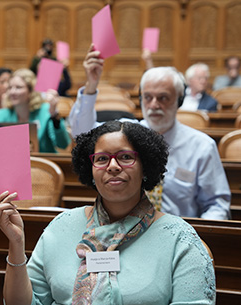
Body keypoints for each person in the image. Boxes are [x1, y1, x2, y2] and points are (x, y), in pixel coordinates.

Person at [0, 120, 216, 305]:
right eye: (101, 159)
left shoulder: (181, 240)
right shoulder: (61, 225)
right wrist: (16, 244)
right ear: (91, 171)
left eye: (125, 157)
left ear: (145, 167)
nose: (112, 166)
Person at [69, 44, 231, 220]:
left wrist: (194, 237)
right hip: (125, 231)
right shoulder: (124, 134)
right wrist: (91, 85)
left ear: (180, 100)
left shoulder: (201, 146)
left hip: (179, 236)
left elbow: (217, 204)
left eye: (163, 98)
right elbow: (81, 132)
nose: (154, 105)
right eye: (147, 97)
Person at [0, 68, 71, 153]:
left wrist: (54, 115)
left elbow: (63, 144)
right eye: (10, 87)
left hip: (43, 163)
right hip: (14, 164)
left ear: (31, 91)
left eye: (18, 87)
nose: (12, 92)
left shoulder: (46, 111)